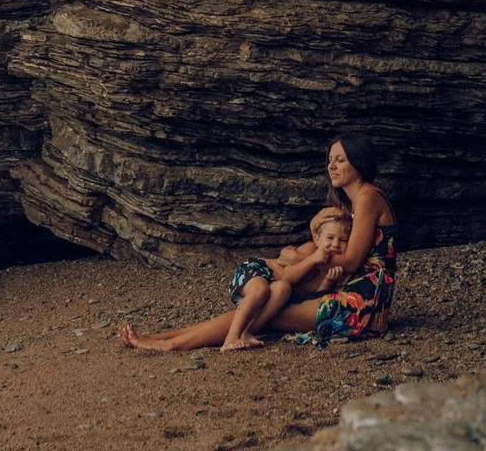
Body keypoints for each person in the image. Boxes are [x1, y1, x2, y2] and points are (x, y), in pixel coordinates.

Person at [118, 133, 397, 351]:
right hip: (352, 291)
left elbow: (350, 261)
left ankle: (170, 343)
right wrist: (311, 232)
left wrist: (298, 260)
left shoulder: (367, 197)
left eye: (340, 160)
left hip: (364, 304)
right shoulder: (352, 202)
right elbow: (329, 245)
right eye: (330, 159)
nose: (331, 166)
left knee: (271, 311)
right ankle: (163, 337)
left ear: (358, 163)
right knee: (268, 305)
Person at [121, 210, 351, 352]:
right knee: (264, 289)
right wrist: (312, 259)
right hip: (256, 271)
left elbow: (308, 292)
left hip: (277, 288)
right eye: (330, 238)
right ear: (317, 238)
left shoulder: (336, 267)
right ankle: (231, 336)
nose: (335, 245)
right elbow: (291, 272)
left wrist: (327, 285)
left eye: (343, 241)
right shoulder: (312, 250)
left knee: (281, 290)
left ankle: (166, 338)